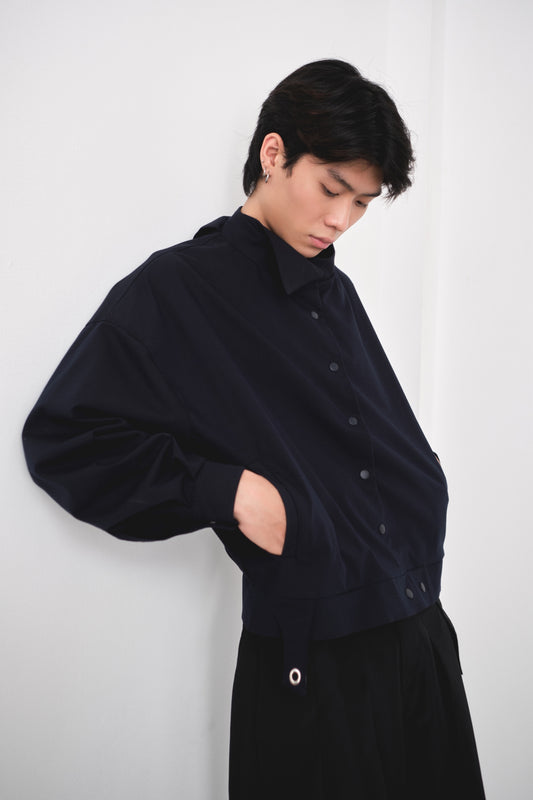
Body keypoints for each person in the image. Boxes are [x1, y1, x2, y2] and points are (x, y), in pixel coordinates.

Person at [22, 59, 485, 798]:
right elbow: (66, 435)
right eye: (331, 188)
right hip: (317, 666)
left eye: (361, 203)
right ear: (274, 154)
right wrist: (226, 490)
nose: (341, 220)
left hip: (421, 637)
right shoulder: (178, 287)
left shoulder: (334, 288)